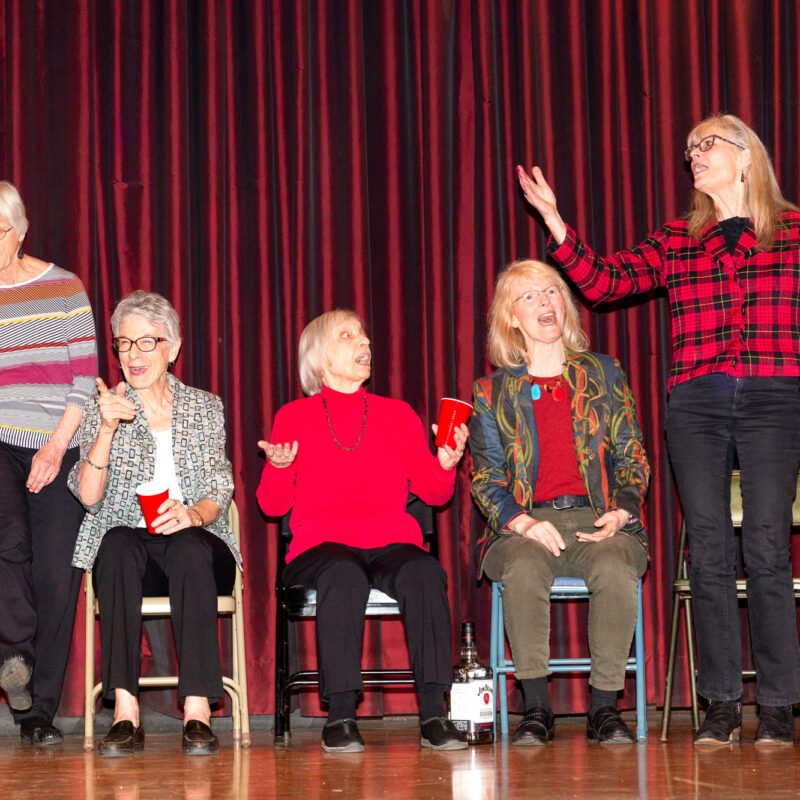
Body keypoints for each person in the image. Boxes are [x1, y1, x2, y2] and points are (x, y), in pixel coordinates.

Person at [518, 112, 800, 746]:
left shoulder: (794, 231)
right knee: (708, 547)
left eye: (706, 145)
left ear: (746, 156)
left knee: (765, 546)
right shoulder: (679, 236)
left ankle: (779, 705)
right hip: (696, 402)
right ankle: (722, 704)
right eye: (689, 149)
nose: (693, 156)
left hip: (775, 397)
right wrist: (557, 225)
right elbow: (605, 283)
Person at [256, 309, 469, 753]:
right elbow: (272, 505)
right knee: (343, 573)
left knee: (425, 573)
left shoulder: (399, 415)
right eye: (348, 336)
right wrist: (278, 468)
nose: (364, 343)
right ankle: (341, 717)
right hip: (321, 545)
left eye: (365, 337)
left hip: (390, 540)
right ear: (317, 357)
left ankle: (434, 712)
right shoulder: (293, 416)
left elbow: (432, 492)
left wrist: (446, 463)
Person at [470, 259, 649, 746]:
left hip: (601, 518)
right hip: (525, 524)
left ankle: (604, 710)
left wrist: (622, 510)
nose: (544, 302)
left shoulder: (605, 374)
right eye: (528, 296)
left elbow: (633, 455)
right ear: (511, 317)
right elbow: (485, 477)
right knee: (525, 564)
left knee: (615, 563)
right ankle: (536, 709)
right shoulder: (490, 392)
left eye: (550, 292)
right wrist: (522, 522)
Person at [68, 291, 240, 757]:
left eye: (147, 342)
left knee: (188, 544)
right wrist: (105, 429)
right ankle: (126, 711)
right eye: (124, 344)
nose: (134, 355)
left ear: (174, 348)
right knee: (119, 543)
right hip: (132, 550)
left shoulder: (204, 406)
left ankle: (198, 710)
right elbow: (88, 497)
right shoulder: (101, 407)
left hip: (198, 544)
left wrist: (192, 514)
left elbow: (220, 487)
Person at [0, 180, 98, 746]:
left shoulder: (64, 287)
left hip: (59, 439)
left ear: (20, 229)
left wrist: (57, 446)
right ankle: (16, 654)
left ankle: (40, 708)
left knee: (57, 574)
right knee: (6, 542)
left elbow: (82, 377)